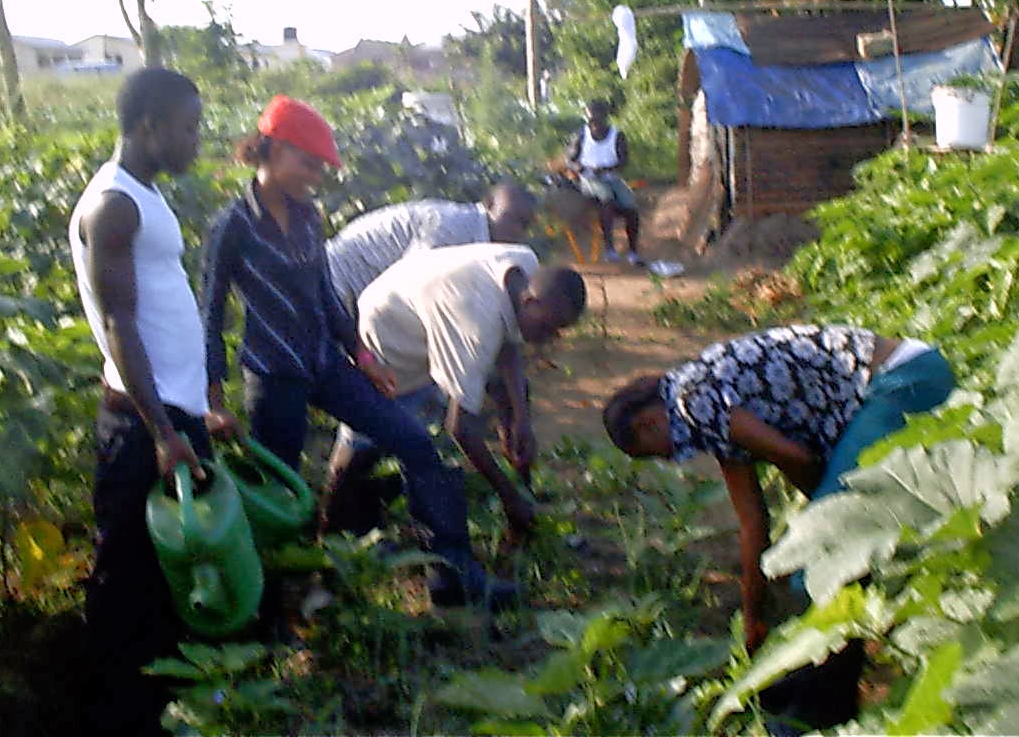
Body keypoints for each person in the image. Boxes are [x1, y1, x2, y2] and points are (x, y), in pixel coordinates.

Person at [202, 94, 515, 608]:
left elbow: (326, 293)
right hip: (273, 373)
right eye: (308, 163)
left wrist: (363, 358)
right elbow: (210, 313)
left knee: (414, 439)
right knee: (279, 491)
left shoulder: (307, 216)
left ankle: (454, 574)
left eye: (319, 168)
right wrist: (214, 399)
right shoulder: (231, 227)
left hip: (326, 361)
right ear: (273, 151)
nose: (315, 176)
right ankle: (272, 606)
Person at [601, 324, 955, 653]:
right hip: (895, 382)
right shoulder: (701, 401)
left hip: (903, 379)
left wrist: (821, 512)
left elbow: (796, 458)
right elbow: (753, 522)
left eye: (653, 453)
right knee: (845, 536)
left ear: (648, 424)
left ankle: (831, 686)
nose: (668, 459)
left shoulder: (693, 402)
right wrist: (753, 615)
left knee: (818, 560)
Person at [68, 68, 241, 737]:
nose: (197, 139)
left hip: (173, 411)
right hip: (145, 424)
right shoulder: (114, 204)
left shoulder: (142, 193)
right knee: (124, 575)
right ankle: (112, 715)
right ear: (149, 127)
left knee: (172, 570)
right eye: (189, 127)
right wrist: (163, 429)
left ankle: (166, 706)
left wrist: (198, 408)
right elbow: (120, 326)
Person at [322, 243, 587, 539]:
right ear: (530, 302)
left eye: (558, 330)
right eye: (548, 327)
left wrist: (521, 419)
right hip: (390, 333)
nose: (549, 337)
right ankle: (329, 528)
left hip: (418, 302)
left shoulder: (524, 264)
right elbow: (460, 429)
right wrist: (509, 498)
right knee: (369, 433)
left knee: (421, 426)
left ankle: (376, 508)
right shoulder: (476, 327)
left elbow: (510, 336)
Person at [326, 183, 538, 316]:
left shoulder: (478, 242)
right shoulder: (452, 229)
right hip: (338, 281)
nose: (516, 231)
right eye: (511, 219)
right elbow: (411, 289)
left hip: (357, 289)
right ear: (488, 205)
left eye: (524, 225)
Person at [565, 98, 642, 265]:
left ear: (605, 117)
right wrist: (578, 167)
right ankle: (610, 249)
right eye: (591, 119)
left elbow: (623, 162)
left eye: (597, 118)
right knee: (606, 198)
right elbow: (569, 160)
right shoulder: (580, 135)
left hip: (612, 178)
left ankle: (634, 252)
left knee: (631, 207)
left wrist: (606, 170)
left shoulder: (617, 135)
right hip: (588, 178)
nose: (593, 123)